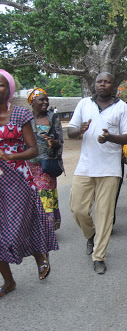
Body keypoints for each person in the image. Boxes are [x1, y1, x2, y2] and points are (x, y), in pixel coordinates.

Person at [68, 72, 127, 275]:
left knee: (104, 214)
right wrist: (79, 130)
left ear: (113, 85)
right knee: (77, 209)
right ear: (94, 84)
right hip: (85, 166)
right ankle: (91, 235)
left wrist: (110, 138)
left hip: (110, 169)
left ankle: (99, 256)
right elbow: (70, 132)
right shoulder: (84, 104)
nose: (103, 84)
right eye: (99, 81)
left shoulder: (121, 106)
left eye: (107, 81)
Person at [0, 69, 58, 297]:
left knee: (17, 228)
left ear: (9, 89)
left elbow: (33, 149)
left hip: (19, 180)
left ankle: (39, 254)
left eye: (1, 84)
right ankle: (9, 282)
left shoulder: (20, 115)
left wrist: (11, 156)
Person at [26, 87, 64, 231]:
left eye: (46, 99)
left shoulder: (53, 118)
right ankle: (37, 228)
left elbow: (60, 140)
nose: (45, 102)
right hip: (30, 165)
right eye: (41, 99)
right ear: (32, 101)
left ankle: (46, 228)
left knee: (46, 195)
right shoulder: (26, 119)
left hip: (47, 165)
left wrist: (53, 143)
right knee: (32, 196)